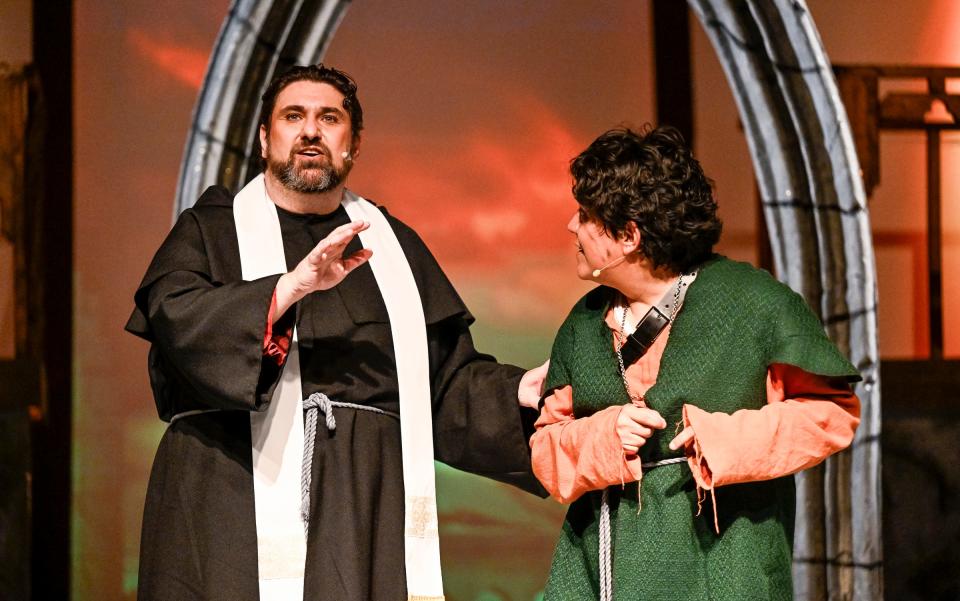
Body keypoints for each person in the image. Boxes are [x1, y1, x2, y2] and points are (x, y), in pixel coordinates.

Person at [126, 64, 546, 601]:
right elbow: (177, 322)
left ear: (354, 144)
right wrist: (287, 289)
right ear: (264, 138)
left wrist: (517, 393)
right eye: (293, 116)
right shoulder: (210, 231)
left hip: (360, 506)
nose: (310, 130)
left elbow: (444, 387)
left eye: (329, 118)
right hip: (227, 499)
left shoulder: (393, 246)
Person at [529, 126, 861, 600]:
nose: (570, 226)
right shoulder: (583, 324)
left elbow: (830, 414)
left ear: (628, 236)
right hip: (605, 568)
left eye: (585, 215)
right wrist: (603, 435)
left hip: (722, 559)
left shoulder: (753, 304)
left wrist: (725, 439)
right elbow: (546, 449)